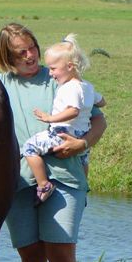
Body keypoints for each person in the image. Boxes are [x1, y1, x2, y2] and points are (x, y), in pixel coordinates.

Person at [0, 23, 107, 262]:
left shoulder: (60, 77)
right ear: (6, 56)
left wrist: (82, 143)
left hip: (64, 178)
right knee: (30, 256)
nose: (29, 56)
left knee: (61, 254)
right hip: (17, 183)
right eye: (19, 52)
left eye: (31, 47)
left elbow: (99, 120)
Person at [22, 33, 106, 204]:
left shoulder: (70, 88)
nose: (51, 73)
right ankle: (83, 185)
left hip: (62, 133)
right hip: (82, 134)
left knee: (29, 148)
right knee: (83, 159)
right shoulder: (87, 86)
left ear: (69, 66)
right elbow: (102, 101)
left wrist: (50, 118)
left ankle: (44, 184)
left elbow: (73, 111)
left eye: (53, 69)